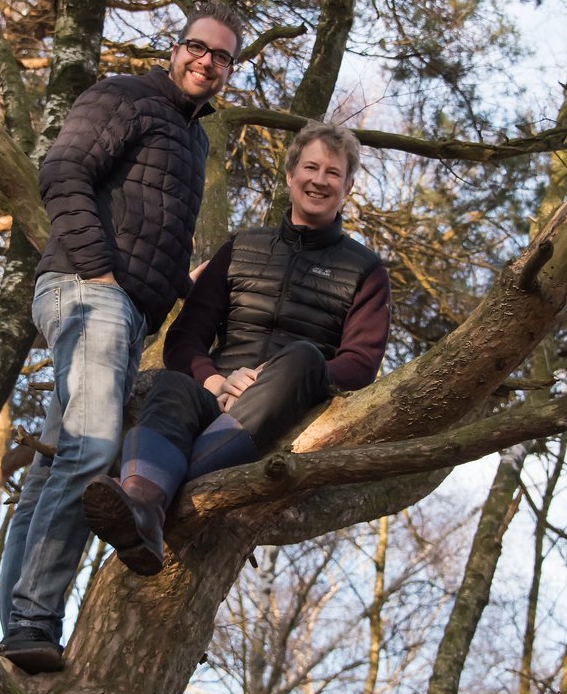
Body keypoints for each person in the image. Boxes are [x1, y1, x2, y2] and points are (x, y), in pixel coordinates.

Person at [0, 2, 245, 672]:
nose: (207, 62)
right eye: (198, 47)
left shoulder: (193, 140)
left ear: (229, 69)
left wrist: (180, 284)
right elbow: (63, 171)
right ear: (175, 48)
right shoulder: (125, 95)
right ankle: (34, 618)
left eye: (222, 56)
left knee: (54, 461)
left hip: (127, 312)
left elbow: (149, 225)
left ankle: (16, 623)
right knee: (93, 446)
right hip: (89, 292)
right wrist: (101, 273)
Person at [82, 121, 390, 574]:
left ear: (348, 187)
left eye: (333, 173)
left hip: (290, 401)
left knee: (305, 355)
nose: (319, 180)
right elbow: (185, 338)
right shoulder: (242, 247)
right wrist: (214, 380)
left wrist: (268, 378)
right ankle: (143, 509)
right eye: (310, 167)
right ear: (289, 176)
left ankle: (162, 488)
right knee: (171, 384)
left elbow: (360, 363)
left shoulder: (365, 269)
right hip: (216, 393)